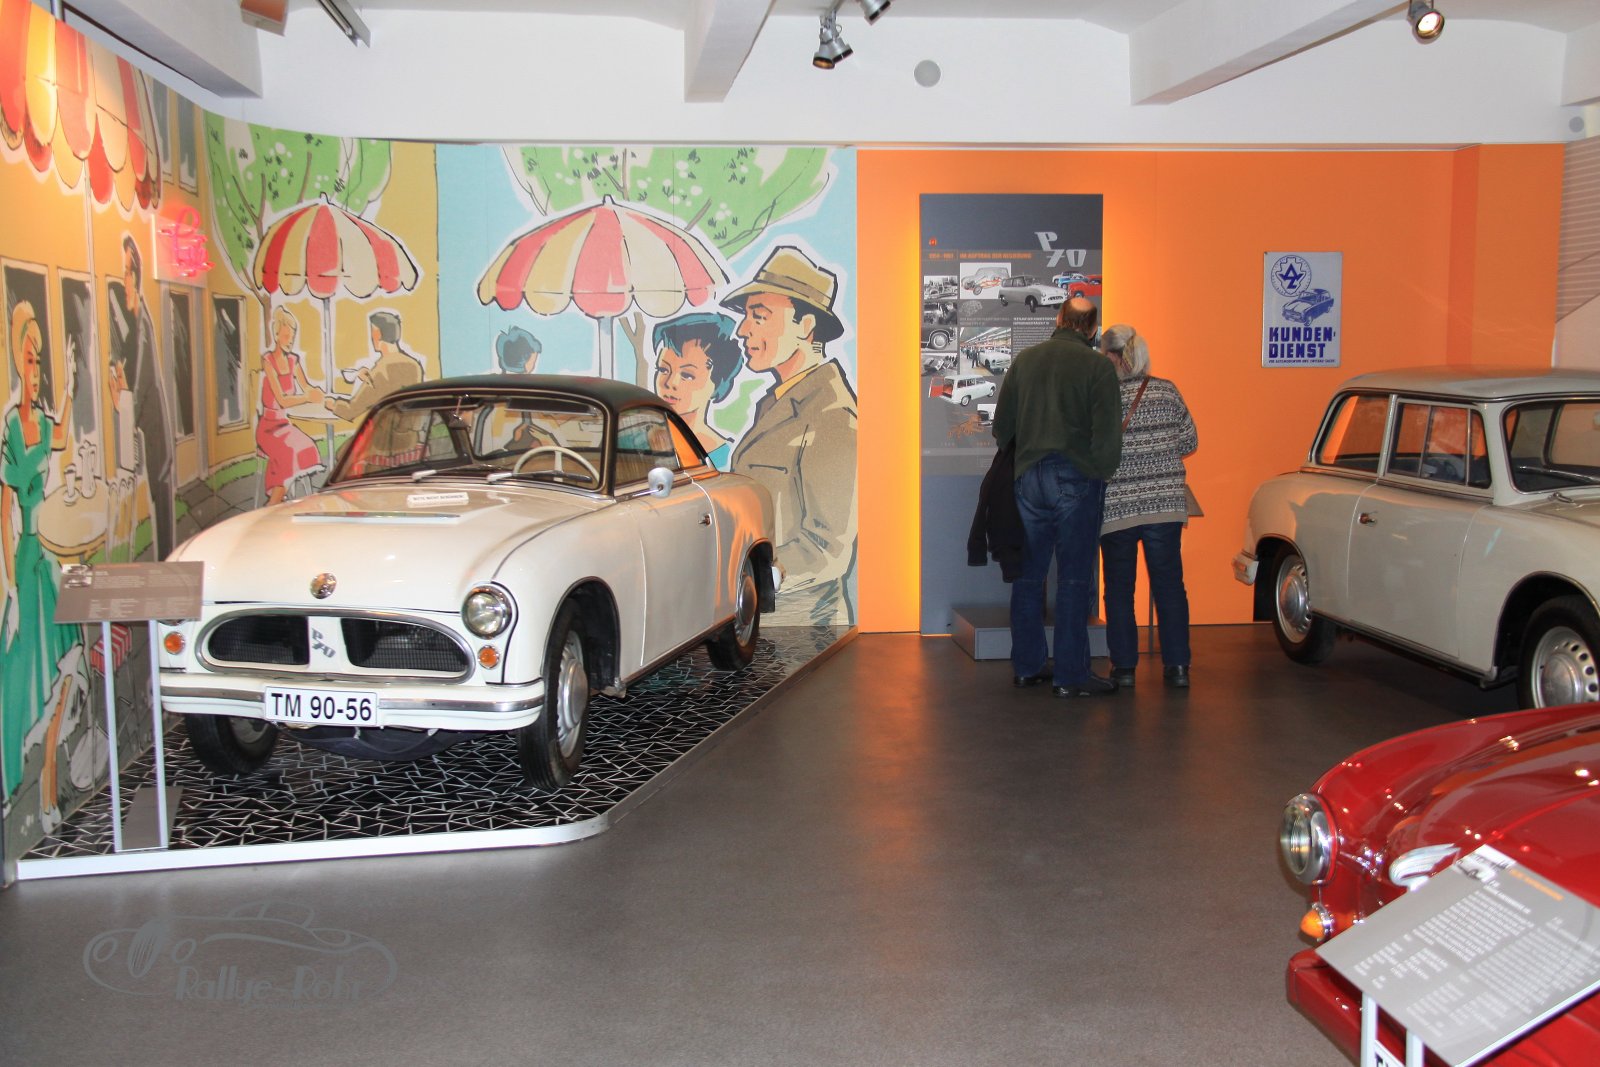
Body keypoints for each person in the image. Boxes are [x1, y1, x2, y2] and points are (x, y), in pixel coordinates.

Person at [991, 297, 1122, 698]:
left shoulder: (1025, 361)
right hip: (1076, 477)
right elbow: (1108, 435)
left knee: (1028, 575)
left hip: (1028, 477)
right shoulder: (1098, 367)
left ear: (1060, 318)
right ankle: (1070, 675)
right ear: (1092, 329)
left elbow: (1002, 428)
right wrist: (1097, 471)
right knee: (1073, 579)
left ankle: (1027, 666)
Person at [723, 246, 857, 627]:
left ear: (805, 325)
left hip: (800, 630)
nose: (743, 329)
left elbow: (827, 546)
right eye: (746, 316)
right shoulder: (775, 404)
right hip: (764, 620)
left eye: (759, 316)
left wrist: (758, 578)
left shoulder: (833, 416)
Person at [2, 301, 80, 801]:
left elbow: (63, 435)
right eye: (29, 360)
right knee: (30, 674)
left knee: (67, 664)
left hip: (47, 556)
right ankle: (35, 782)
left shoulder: (45, 422)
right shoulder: (12, 425)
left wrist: (69, 386)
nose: (35, 372)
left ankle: (50, 780)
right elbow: (5, 506)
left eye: (39, 362)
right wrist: (9, 583)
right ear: (17, 361)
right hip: (25, 561)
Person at [1097, 325, 1199, 689]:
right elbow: (1190, 441)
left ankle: (1124, 668)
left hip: (1118, 507)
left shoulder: (1103, 397)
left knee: (1119, 589)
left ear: (1113, 357)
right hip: (1164, 505)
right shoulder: (1167, 390)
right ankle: (1178, 667)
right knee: (1169, 586)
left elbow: (1094, 448)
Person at [107, 236, 176, 559]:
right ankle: (166, 559)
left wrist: (124, 405)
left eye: (125, 272)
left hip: (156, 431)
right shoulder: (132, 320)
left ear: (135, 275)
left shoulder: (143, 322)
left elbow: (141, 381)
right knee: (156, 503)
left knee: (162, 502)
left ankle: (168, 560)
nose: (123, 280)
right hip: (146, 428)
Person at [652, 311, 743, 470]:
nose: (670, 383)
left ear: (717, 384)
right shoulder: (633, 441)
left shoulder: (729, 459)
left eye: (687, 375)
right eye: (663, 370)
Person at [256, 306, 325, 505]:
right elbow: (282, 400)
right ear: (276, 335)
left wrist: (315, 393)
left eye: (292, 338)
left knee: (308, 446)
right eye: (286, 336)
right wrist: (307, 397)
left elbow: (306, 386)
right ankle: (274, 503)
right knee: (288, 452)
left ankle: (297, 502)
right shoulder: (268, 361)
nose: (289, 341)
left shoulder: (294, 360)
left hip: (284, 425)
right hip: (268, 428)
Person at [324, 310, 424, 423]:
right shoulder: (414, 365)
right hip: (411, 430)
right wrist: (369, 378)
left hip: (389, 430)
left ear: (377, 334)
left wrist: (332, 404)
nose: (372, 338)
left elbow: (351, 411)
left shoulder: (382, 370)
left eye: (372, 333)